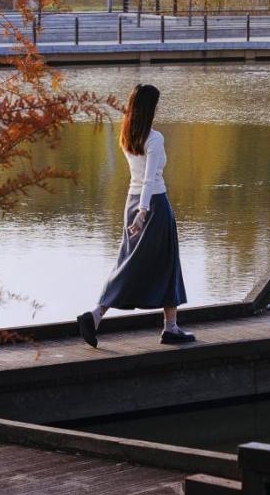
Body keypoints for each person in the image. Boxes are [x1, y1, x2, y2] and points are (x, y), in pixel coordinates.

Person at [77, 82, 195, 348]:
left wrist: (137, 211)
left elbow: (139, 179)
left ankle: (166, 326)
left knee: (129, 262)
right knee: (165, 263)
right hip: (152, 206)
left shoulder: (127, 136)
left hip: (131, 203)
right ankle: (166, 327)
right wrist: (143, 213)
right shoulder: (154, 139)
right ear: (149, 108)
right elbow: (150, 180)